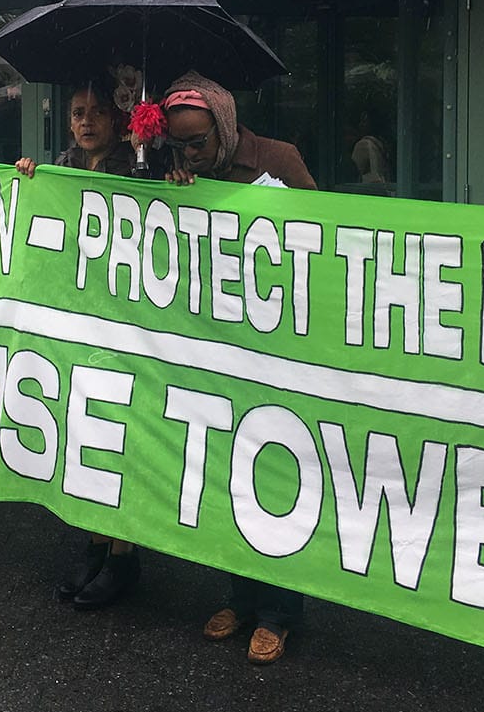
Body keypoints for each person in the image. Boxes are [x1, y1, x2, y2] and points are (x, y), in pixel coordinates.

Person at [161, 70, 315, 665]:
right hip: (215, 353)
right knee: (226, 478)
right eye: (180, 144)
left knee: (275, 478)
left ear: (224, 126)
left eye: (198, 141)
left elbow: (327, 239)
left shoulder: (278, 159)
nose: (191, 152)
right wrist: (177, 193)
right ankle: (240, 597)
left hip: (276, 353)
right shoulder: (183, 175)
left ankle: (281, 611)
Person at [16, 77, 142, 609]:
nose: (85, 121)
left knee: (121, 437)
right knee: (85, 434)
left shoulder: (140, 171)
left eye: (95, 112)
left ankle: (123, 555)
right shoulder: (60, 170)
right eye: (76, 112)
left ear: (116, 120)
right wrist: (29, 182)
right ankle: (93, 544)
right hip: (76, 323)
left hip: (122, 326)